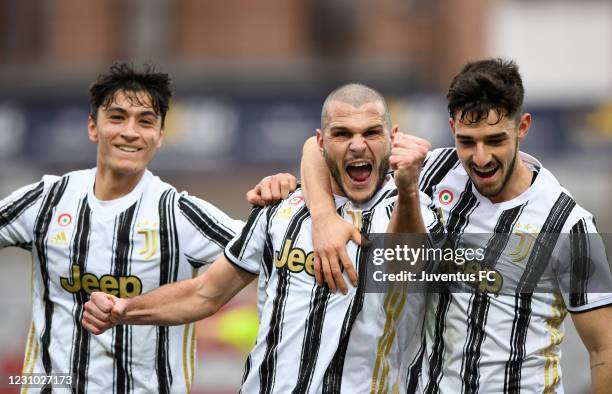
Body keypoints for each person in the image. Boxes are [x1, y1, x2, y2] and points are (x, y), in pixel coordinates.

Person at [82, 83, 437, 392]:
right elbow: (205, 293)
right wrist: (125, 309)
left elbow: (405, 264)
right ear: (321, 141)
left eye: (371, 133)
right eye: (342, 134)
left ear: (393, 138)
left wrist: (408, 192)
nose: (357, 145)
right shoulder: (279, 212)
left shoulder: (418, 212)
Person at [304, 58, 612, 393]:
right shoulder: (431, 171)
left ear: (522, 127)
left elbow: (604, 349)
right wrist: (321, 215)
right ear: (452, 128)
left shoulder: (569, 224)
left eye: (495, 140)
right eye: (468, 141)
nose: (480, 158)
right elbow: (318, 149)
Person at [0, 62, 297, 393]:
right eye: (117, 117)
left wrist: (284, 191)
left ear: (159, 137)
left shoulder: (179, 214)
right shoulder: (45, 200)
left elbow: (280, 251)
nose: (130, 131)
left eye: (145, 121)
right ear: (92, 127)